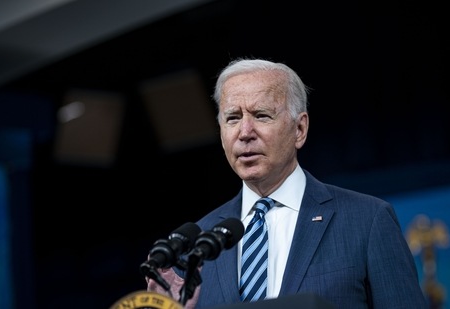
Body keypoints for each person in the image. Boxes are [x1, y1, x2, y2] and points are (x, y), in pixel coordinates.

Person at [146, 58, 428, 308]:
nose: (245, 133)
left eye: (261, 115)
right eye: (233, 118)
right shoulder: (199, 242)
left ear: (300, 129)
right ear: (221, 134)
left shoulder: (367, 221)